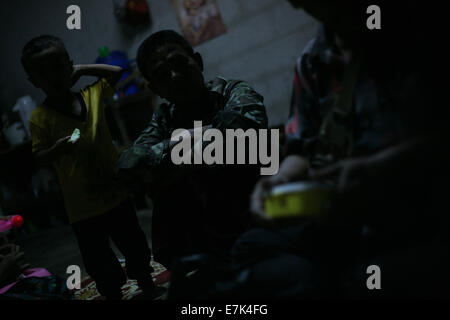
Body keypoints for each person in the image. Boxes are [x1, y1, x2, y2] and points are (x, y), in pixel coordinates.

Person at [170, 1, 450, 298]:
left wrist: (381, 169)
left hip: (422, 208)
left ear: (197, 62)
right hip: (342, 214)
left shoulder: (421, 37)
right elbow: (300, 148)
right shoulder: (313, 61)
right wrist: (279, 180)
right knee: (251, 248)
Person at [23, 35, 164, 300]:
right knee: (99, 261)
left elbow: (118, 72)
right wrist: (56, 150)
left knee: (134, 246)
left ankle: (147, 284)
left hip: (116, 193)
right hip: (82, 207)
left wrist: (84, 70)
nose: (52, 76)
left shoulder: (93, 94)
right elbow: (39, 157)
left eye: (58, 66)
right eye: (42, 72)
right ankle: (112, 293)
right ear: (34, 82)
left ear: (70, 66)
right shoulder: (40, 117)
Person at [117, 30, 268, 269]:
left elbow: (245, 132)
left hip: (250, 205)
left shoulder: (232, 92)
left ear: (197, 62)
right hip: (205, 221)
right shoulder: (164, 119)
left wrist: (177, 158)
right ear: (154, 88)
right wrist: (200, 138)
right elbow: (129, 163)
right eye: (163, 74)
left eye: (179, 64)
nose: (175, 76)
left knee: (260, 151)